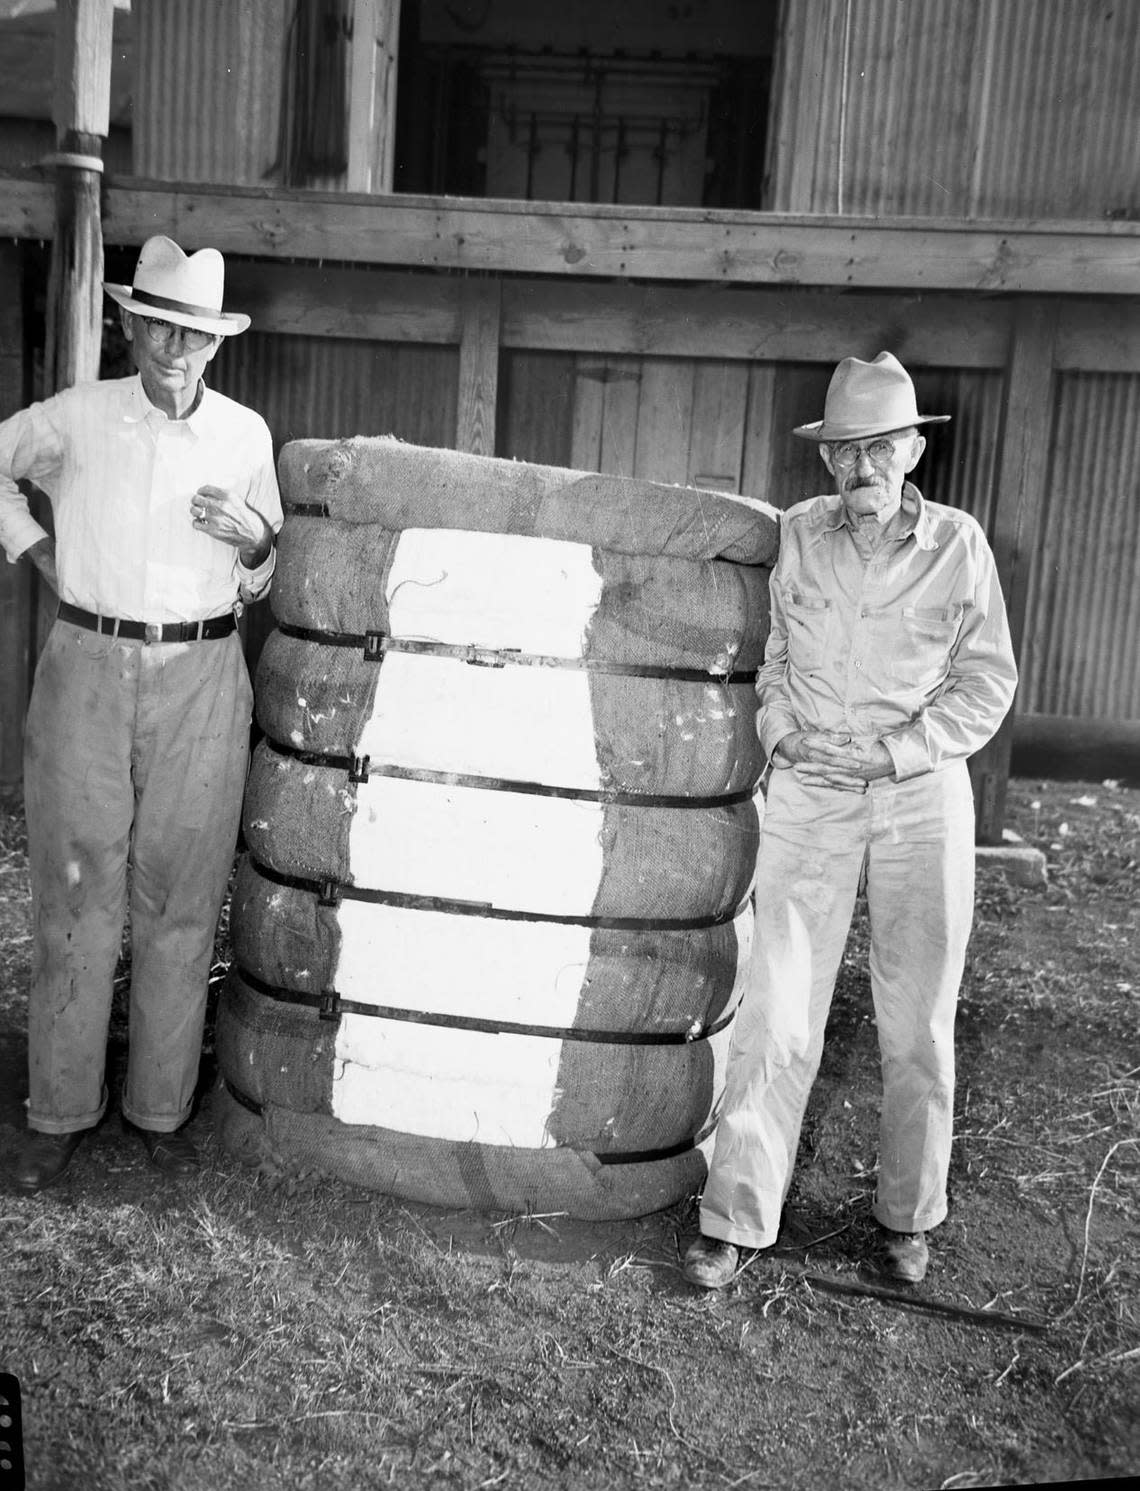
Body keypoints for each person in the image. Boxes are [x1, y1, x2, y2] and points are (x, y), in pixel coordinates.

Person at [683, 351, 1018, 1289]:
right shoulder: (798, 535)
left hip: (919, 796)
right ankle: (736, 1216)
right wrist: (782, 734)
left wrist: (901, 750)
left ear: (913, 450)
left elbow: (989, 680)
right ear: (825, 461)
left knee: (917, 1021)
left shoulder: (960, 545)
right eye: (843, 453)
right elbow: (776, 658)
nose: (861, 469)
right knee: (778, 1010)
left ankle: (908, 1216)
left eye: (880, 448)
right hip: (812, 793)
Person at [0, 235, 283, 1191]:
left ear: (216, 344)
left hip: (204, 673)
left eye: (192, 333)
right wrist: (38, 549)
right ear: (129, 322)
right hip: (86, 665)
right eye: (157, 324)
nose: (173, 346)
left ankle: (159, 1108)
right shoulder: (79, 418)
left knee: (183, 895)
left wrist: (255, 540)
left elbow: (268, 568)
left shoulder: (246, 437)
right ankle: (58, 1110)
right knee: (77, 892)